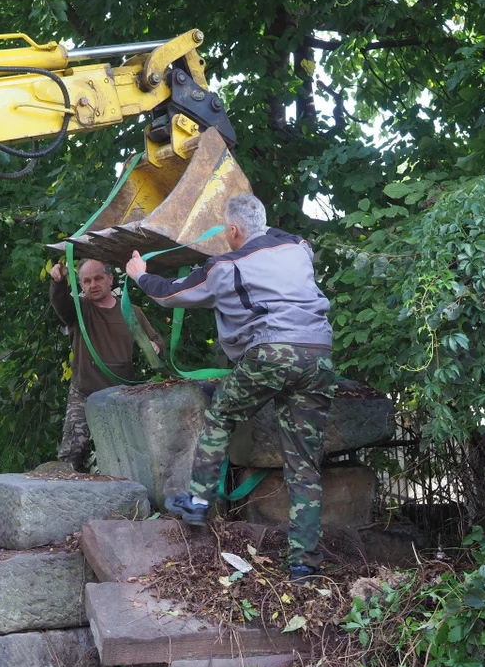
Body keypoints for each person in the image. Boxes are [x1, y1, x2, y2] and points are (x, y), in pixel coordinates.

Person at [125, 194, 336, 582]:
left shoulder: (226, 265)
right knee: (304, 465)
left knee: (221, 415)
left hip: (272, 352)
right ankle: (304, 565)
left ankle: (199, 502)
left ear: (233, 230)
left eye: (227, 231)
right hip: (319, 354)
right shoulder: (297, 248)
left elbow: (171, 294)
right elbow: (278, 240)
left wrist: (139, 273)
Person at [49, 258, 162, 472]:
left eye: (99, 278)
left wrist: (155, 347)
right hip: (84, 391)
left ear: (110, 279)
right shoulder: (79, 309)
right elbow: (60, 302)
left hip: (119, 394)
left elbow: (156, 341)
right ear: (80, 285)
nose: (93, 285)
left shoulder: (131, 311)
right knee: (72, 452)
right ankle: (70, 496)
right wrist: (58, 282)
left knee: (125, 453)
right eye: (87, 281)